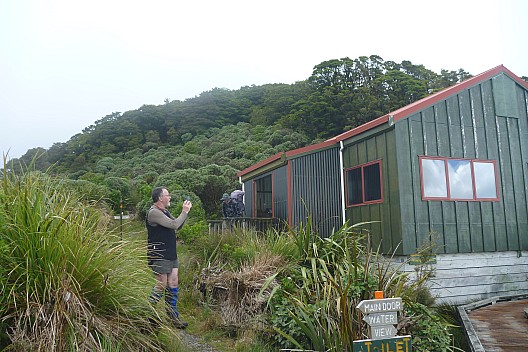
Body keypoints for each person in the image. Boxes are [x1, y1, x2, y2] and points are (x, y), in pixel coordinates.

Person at [146, 187, 192, 329]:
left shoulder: (164, 211)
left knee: (173, 283)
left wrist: (185, 213)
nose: (170, 197)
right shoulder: (153, 213)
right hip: (159, 253)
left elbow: (177, 226)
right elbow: (174, 224)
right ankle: (146, 314)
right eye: (168, 195)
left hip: (170, 253)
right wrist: (184, 212)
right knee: (161, 284)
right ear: (160, 198)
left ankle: (173, 318)